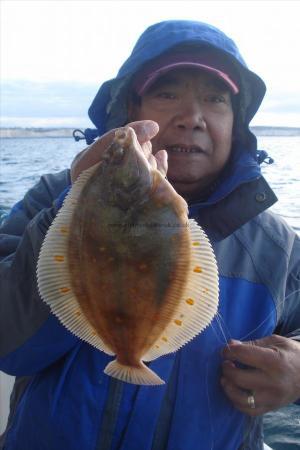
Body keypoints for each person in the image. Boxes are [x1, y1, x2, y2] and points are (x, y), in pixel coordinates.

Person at [0, 19, 299, 450]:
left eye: (215, 99)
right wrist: (73, 208)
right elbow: (8, 344)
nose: (191, 118)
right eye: (167, 93)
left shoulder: (275, 244)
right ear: (129, 112)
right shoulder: (54, 199)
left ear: (238, 123)